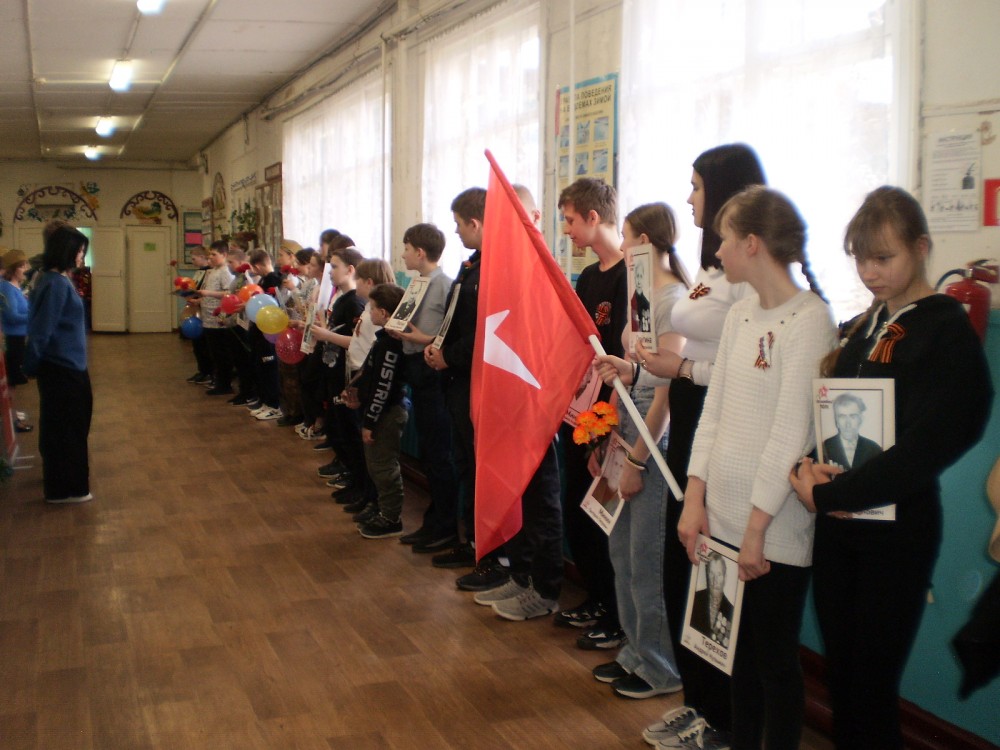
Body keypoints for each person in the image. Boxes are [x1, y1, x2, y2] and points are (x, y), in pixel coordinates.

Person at [789, 186, 993, 750]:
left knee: (871, 685)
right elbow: (830, 414)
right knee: (843, 676)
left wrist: (835, 496)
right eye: (861, 258)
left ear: (921, 248)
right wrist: (811, 471)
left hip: (897, 532)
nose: (870, 272)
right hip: (839, 527)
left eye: (884, 257)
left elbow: (936, 440)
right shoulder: (864, 324)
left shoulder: (945, 328)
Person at [596, 144, 765, 747]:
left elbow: (726, 362)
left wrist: (681, 369)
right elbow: (683, 358)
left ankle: (722, 717)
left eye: (696, 186)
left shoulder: (744, 283)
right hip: (696, 426)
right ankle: (700, 703)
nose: (689, 198)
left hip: (720, 434)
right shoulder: (713, 275)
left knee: (710, 581)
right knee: (685, 572)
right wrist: (648, 365)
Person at [676, 185, 835, 750]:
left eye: (724, 239)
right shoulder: (741, 314)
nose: (717, 251)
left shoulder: (810, 320)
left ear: (752, 243)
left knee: (772, 661)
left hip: (772, 530)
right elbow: (714, 413)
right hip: (721, 518)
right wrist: (694, 498)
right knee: (734, 659)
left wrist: (755, 531)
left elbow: (792, 434)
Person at [556, 177, 628, 649]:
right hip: (578, 410)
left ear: (593, 217)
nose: (567, 231)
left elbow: (625, 360)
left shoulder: (628, 276)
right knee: (577, 512)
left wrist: (609, 426)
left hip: (608, 415)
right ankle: (595, 597)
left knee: (605, 517)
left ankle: (617, 612)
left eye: (570, 220)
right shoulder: (587, 276)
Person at [425, 188, 488, 572]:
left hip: (474, 378)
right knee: (465, 463)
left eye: (459, 225)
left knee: (477, 467)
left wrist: (448, 355)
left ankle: (486, 548)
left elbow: (482, 333)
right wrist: (439, 348)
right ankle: (472, 539)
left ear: (475, 223)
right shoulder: (471, 265)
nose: (457, 232)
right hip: (456, 376)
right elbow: (454, 320)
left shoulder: (491, 270)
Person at [390, 223, 460, 553]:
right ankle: (434, 520)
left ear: (420, 252)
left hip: (433, 373)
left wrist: (421, 338)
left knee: (439, 454)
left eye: (406, 249)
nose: (402, 254)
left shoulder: (446, 285)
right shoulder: (416, 284)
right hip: (415, 370)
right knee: (429, 454)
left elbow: (450, 334)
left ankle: (446, 525)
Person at [23, 225, 94, 504]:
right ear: (66, 251)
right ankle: (66, 489)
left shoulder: (58, 280)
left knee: (70, 426)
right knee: (65, 430)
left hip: (70, 365)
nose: (81, 257)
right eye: (79, 251)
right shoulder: (54, 283)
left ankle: (64, 483)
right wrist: (31, 365)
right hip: (61, 367)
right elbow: (41, 330)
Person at [348, 282, 410, 539]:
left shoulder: (391, 345)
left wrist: (370, 422)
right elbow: (370, 374)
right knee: (375, 465)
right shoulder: (383, 339)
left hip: (386, 414)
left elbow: (383, 387)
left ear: (384, 313)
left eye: (372, 307)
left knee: (384, 467)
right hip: (377, 412)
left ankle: (391, 518)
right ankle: (381, 507)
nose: (369, 311)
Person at [195, 241, 236, 396]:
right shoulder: (213, 271)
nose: (210, 257)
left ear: (224, 255)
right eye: (209, 254)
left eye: (214, 254)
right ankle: (217, 380)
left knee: (221, 353)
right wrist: (200, 299)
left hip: (219, 320)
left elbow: (228, 293)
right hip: (208, 319)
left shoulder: (225, 271)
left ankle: (224, 384)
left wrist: (208, 294)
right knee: (213, 353)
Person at [0, 249, 33, 432]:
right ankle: (12, 421)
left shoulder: (16, 287)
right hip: (12, 341)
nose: (25, 269)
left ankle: (11, 417)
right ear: (13, 269)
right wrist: (33, 317)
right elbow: (12, 316)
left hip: (18, 339)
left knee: (12, 383)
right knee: (11, 384)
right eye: (21, 266)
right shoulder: (6, 288)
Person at [822, 392, 883, 470]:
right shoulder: (825, 447)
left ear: (861, 419)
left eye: (853, 416)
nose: (848, 424)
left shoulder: (874, 449)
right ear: (836, 420)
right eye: (842, 416)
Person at [689, 551, 733, 646]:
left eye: (719, 575)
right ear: (707, 574)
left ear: (725, 578)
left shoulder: (731, 611)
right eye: (711, 574)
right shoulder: (694, 599)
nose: (715, 580)